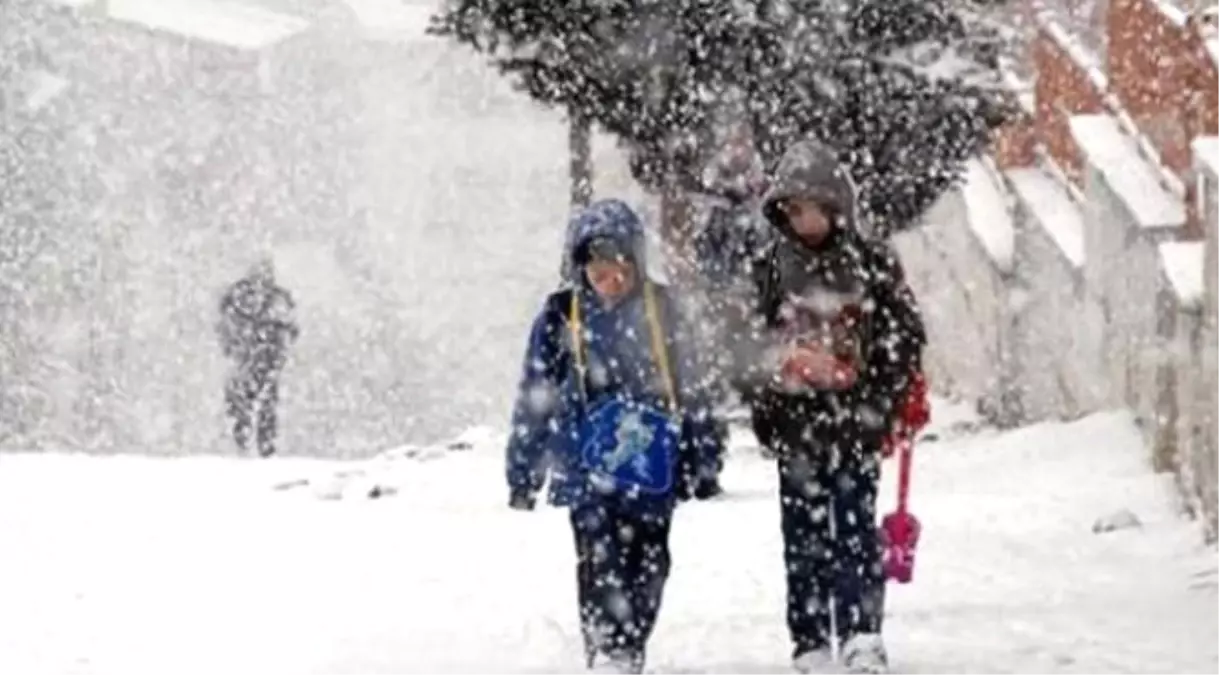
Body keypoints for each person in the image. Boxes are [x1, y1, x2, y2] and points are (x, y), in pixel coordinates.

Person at [505, 198, 723, 675]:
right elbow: (534, 393)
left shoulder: (664, 311)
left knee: (650, 561)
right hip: (585, 466)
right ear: (580, 268)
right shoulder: (562, 315)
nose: (609, 280)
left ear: (636, 262)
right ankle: (609, 646)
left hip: (653, 467)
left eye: (619, 266)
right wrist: (523, 468)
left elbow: (696, 387)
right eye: (597, 269)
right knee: (598, 557)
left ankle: (629, 643)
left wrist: (705, 457)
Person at [733, 139, 926, 674]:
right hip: (798, 428)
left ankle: (863, 631)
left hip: (856, 424)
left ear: (837, 205)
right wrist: (774, 380)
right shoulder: (770, 268)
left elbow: (904, 337)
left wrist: (880, 396)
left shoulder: (871, 263)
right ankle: (811, 637)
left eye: (813, 208)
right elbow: (745, 344)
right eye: (793, 210)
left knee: (856, 531)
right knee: (803, 538)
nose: (805, 220)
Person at [216, 257, 299, 457]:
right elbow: (290, 328)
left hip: (249, 356)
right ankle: (261, 445)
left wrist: (233, 344)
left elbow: (224, 323)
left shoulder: (237, 295)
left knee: (244, 399)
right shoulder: (278, 298)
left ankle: (246, 441)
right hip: (263, 357)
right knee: (264, 402)